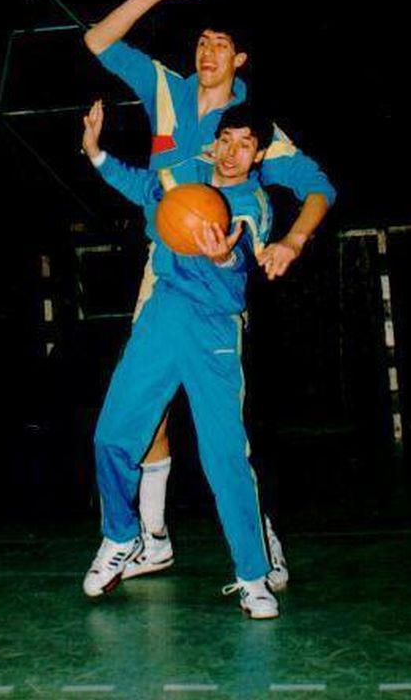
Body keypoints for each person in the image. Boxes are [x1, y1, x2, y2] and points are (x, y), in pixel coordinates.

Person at [83, 0, 336, 583]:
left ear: (239, 59)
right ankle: (152, 538)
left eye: (221, 44)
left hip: (220, 281)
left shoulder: (251, 127)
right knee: (147, 407)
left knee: (226, 427)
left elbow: (319, 187)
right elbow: (97, 40)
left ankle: (259, 533)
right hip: (164, 271)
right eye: (202, 40)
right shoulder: (166, 89)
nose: (208, 51)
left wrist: (293, 242)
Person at [81, 98, 281, 617]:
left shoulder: (253, 205)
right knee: (112, 434)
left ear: (259, 155)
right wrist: (96, 152)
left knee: (225, 456)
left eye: (246, 145)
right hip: (164, 313)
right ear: (215, 143)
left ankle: (253, 576)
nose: (233, 153)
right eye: (227, 140)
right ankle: (120, 536)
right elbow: (142, 186)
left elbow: (243, 260)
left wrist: (225, 257)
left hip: (214, 328)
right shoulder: (184, 176)